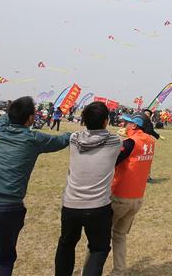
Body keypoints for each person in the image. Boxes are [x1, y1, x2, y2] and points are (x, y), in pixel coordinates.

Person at [0, 96, 70, 276]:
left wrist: (18, 108)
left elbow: (8, 116)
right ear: (31, 118)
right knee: (5, 259)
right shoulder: (34, 139)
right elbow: (61, 141)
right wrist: (75, 135)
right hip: (9, 207)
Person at [54, 102, 122, 276]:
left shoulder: (74, 139)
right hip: (99, 207)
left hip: (71, 205)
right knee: (98, 249)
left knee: (66, 244)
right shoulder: (115, 141)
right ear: (106, 121)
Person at [110, 114, 156, 276]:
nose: (124, 125)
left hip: (120, 195)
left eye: (128, 123)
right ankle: (119, 271)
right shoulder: (150, 142)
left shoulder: (130, 143)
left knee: (100, 237)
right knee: (120, 235)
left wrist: (119, 140)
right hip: (137, 197)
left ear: (135, 126)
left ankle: (90, 271)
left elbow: (111, 161)